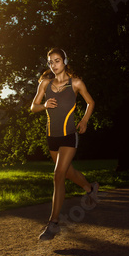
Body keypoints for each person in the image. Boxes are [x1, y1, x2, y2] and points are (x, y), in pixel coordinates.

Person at [31, 48, 99, 241]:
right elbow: (33, 106)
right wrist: (44, 105)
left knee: (58, 175)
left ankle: (53, 224)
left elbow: (90, 102)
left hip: (69, 136)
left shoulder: (75, 83)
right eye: (50, 62)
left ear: (65, 61)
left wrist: (84, 121)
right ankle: (90, 188)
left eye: (57, 61)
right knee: (67, 171)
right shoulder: (45, 84)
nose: (53, 65)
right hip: (52, 137)